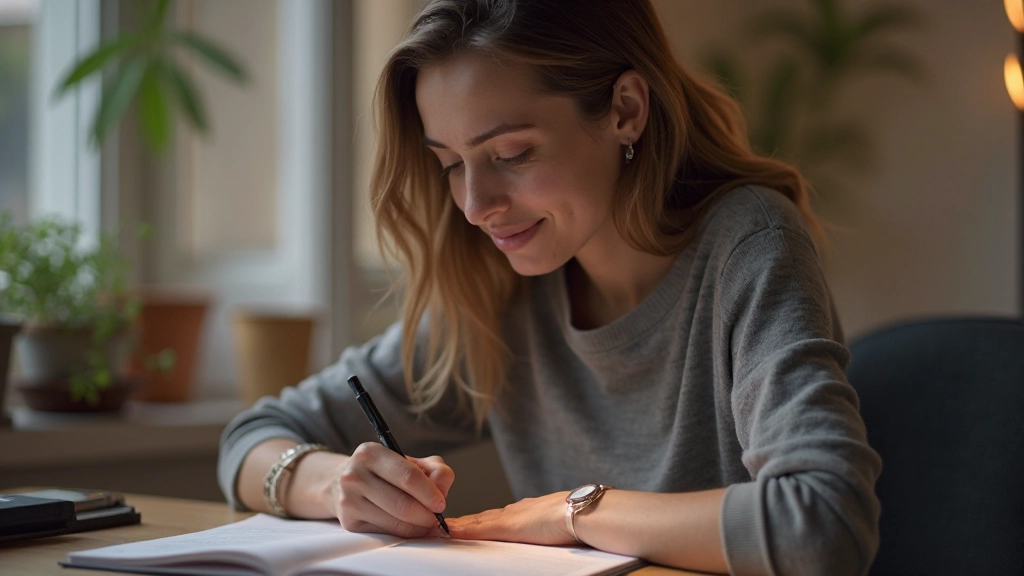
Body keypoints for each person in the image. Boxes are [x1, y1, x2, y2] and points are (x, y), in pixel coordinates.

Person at [217, 1, 882, 574]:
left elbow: (824, 525)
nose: (476, 204)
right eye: (450, 164)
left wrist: (574, 511)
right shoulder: (502, 288)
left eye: (510, 155)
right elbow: (253, 436)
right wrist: (339, 484)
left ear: (624, 110)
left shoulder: (748, 243)